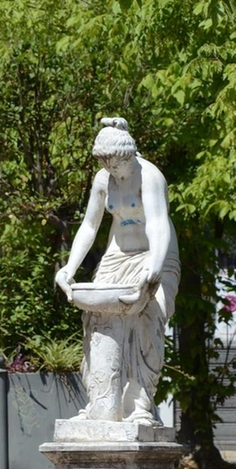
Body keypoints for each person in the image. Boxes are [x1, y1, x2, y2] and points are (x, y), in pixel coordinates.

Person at [54, 117, 180, 424]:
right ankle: (100, 406)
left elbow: (158, 224)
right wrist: (68, 268)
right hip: (117, 255)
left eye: (117, 166)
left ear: (128, 156)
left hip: (155, 253)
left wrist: (152, 270)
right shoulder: (103, 179)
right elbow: (89, 225)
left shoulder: (149, 177)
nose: (113, 172)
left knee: (146, 322)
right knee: (96, 320)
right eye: (107, 166)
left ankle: (139, 407)